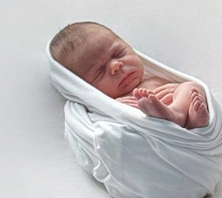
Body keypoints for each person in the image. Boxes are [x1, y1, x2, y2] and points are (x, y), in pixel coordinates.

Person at [49, 21, 210, 129]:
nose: (115, 66)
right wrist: (119, 109)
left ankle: (184, 117)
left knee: (192, 86)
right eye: (99, 72)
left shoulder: (157, 80)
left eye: (118, 53)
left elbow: (185, 92)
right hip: (157, 139)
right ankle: (177, 118)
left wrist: (177, 90)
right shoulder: (108, 107)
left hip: (183, 124)